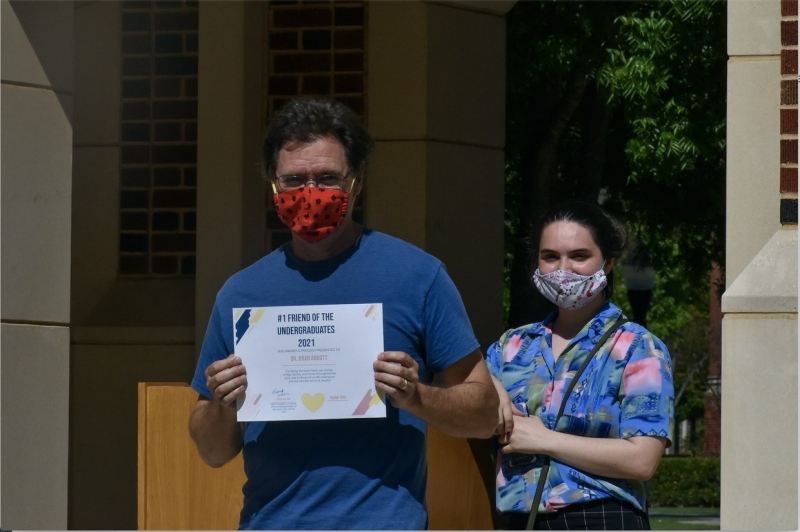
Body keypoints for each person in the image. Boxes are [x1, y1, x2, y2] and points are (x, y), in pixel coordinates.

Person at [188, 98, 498, 530]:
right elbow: (212, 451)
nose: (310, 194)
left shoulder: (417, 277)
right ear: (272, 185)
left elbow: (484, 415)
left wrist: (416, 396)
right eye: (294, 180)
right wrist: (222, 403)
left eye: (328, 178)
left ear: (357, 181)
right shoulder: (241, 293)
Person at [486, 201, 674, 530]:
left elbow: (643, 460)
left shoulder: (638, 348)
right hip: (517, 519)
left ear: (609, 262)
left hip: (601, 516)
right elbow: (468, 402)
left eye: (579, 256)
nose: (563, 269)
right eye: (550, 257)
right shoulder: (511, 347)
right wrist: (488, 390)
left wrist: (544, 439)